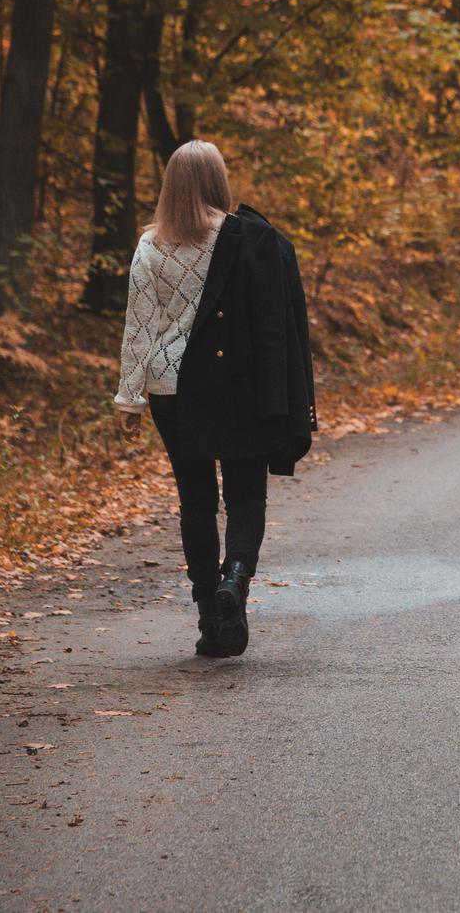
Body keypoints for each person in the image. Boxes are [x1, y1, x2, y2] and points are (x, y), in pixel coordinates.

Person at [113, 141, 316, 657]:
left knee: (195, 500)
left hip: (172, 388)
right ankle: (236, 584)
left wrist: (128, 399)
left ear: (171, 183)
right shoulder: (246, 238)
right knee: (246, 494)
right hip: (237, 386)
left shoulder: (149, 246)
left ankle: (210, 618)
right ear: (217, 180)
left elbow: (140, 327)